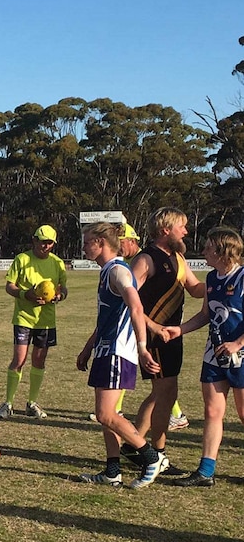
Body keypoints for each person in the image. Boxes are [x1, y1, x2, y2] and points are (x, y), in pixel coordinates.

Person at [76, 222, 163, 489]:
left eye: (88, 241)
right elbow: (108, 316)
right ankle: (112, 471)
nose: (84, 246)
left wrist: (142, 346)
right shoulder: (107, 272)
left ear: (101, 242)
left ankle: (150, 458)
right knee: (106, 413)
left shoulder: (117, 271)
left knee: (105, 414)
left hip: (117, 350)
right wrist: (89, 346)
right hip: (105, 347)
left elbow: (136, 307)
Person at [87, 221, 190, 428]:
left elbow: (133, 307)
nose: (120, 245)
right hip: (133, 339)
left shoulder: (129, 266)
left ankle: (147, 450)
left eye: (123, 240)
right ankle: (132, 452)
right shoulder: (122, 266)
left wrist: (149, 332)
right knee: (162, 389)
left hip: (139, 339)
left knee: (160, 391)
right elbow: (118, 311)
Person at [123, 208, 203, 474]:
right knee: (164, 393)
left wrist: (228, 276)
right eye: (182, 226)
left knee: (164, 394)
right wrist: (153, 327)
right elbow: (128, 298)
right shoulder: (146, 258)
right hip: (155, 336)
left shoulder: (178, 257)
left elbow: (195, 289)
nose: (186, 231)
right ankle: (156, 454)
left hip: (173, 335)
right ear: (165, 229)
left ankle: (133, 448)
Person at [164, 227, 244, 487]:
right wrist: (181, 330)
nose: (204, 251)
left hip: (240, 356)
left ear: (222, 251)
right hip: (214, 354)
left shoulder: (243, 277)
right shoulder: (211, 279)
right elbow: (206, 314)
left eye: (209, 247)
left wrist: (238, 343)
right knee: (212, 411)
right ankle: (206, 471)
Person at [0, 225, 67, 420]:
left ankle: (31, 403)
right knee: (19, 360)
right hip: (24, 318)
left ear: (53, 244)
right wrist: (24, 294)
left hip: (45, 321)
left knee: (39, 361)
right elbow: (9, 286)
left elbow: (63, 288)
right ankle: (8, 403)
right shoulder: (22, 259)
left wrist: (59, 296)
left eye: (49, 242)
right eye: (41, 241)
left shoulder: (57, 263)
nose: (44, 245)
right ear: (34, 240)